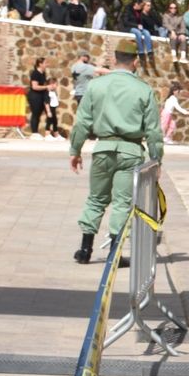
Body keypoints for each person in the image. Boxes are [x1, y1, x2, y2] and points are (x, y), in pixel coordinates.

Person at [68, 43, 163, 264]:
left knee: (96, 198)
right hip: (131, 150)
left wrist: (75, 150)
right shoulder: (143, 89)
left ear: (114, 59)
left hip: (103, 147)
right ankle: (114, 253)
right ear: (136, 61)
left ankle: (85, 249)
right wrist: (156, 159)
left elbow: (82, 122)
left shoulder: (96, 86)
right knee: (122, 202)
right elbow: (153, 131)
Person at [27, 57, 51, 136]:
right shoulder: (35, 73)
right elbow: (34, 86)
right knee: (35, 114)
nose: (47, 64)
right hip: (34, 96)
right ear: (40, 64)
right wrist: (46, 87)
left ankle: (47, 132)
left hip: (41, 95)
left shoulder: (43, 73)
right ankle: (34, 133)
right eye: (45, 63)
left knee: (43, 113)